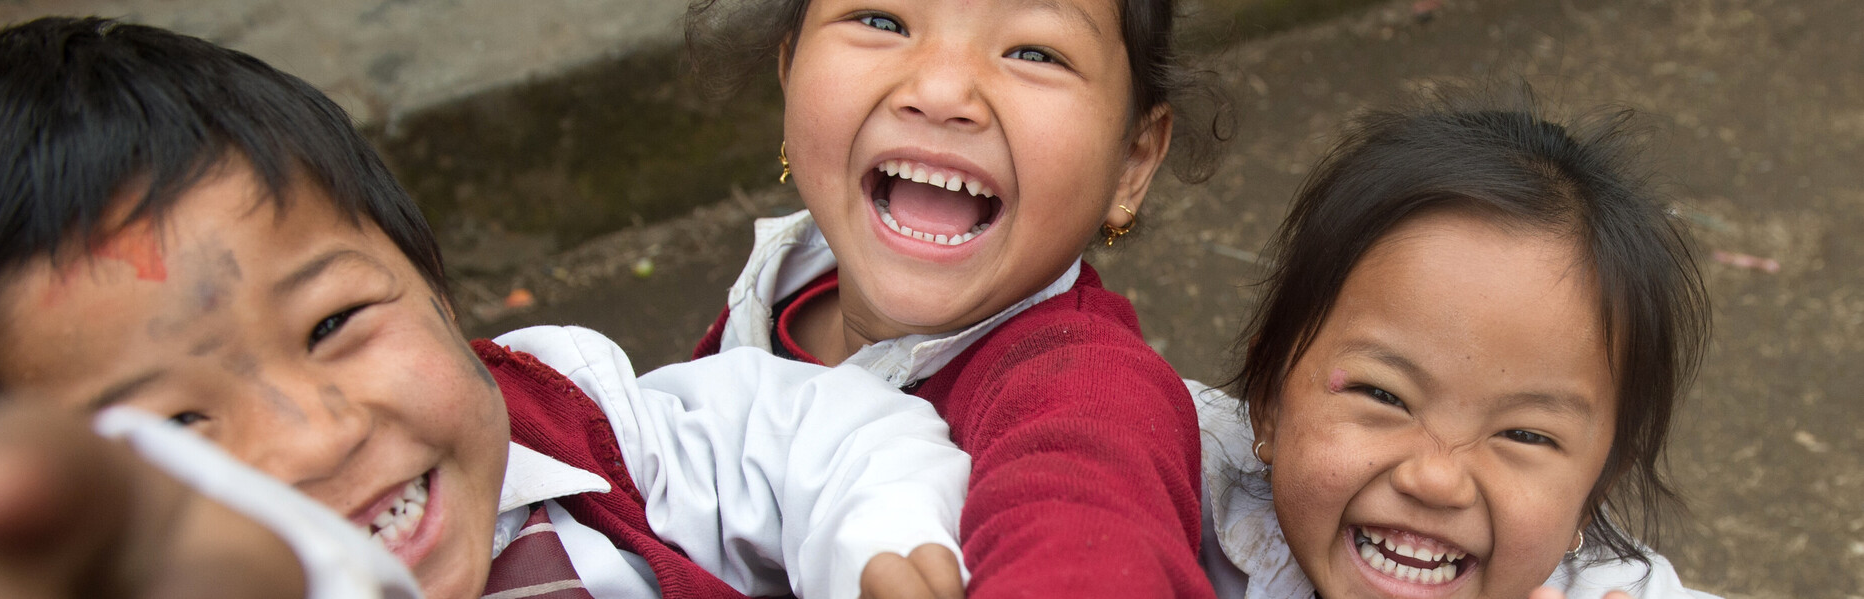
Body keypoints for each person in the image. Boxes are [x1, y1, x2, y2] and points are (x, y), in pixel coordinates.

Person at [0, 17, 971, 599]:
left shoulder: (569, 431)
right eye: (177, 424)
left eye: (332, 323)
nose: (318, 433)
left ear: (436, 289)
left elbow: (806, 428)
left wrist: (875, 540)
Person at [681, 0, 1232, 595]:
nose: (940, 93)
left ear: (1132, 161)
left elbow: (1093, 543)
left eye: (1034, 54)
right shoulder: (787, 276)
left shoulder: (1093, 396)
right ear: (791, 71)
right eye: (882, 22)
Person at [1192, 91, 1720, 598]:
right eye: (1383, 395)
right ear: (1267, 399)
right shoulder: (1169, 480)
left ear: (1594, 492)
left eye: (1525, 435)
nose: (1437, 480)